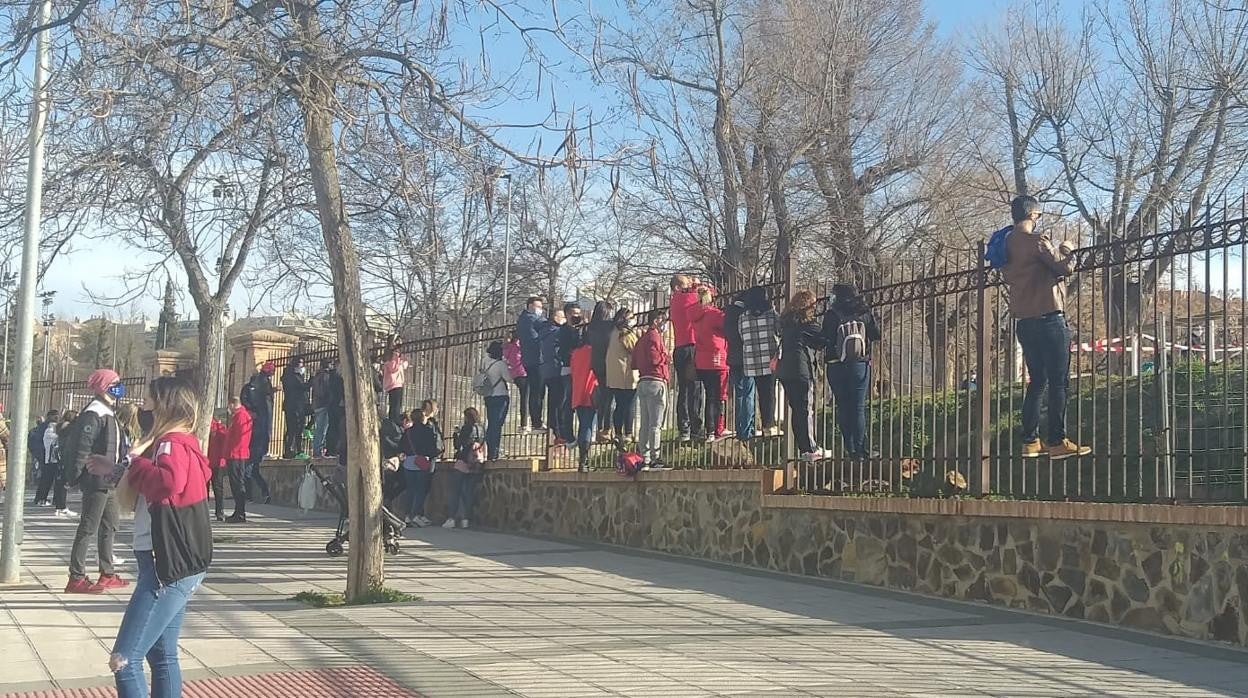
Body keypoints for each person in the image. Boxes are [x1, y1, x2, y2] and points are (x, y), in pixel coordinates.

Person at [84, 376, 212, 698]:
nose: (142, 406)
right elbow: (155, 488)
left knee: (124, 661)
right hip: (179, 563)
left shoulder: (170, 443)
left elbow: (167, 482)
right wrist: (116, 469)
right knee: (162, 655)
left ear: (165, 406)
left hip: (163, 566)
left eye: (148, 401)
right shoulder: (183, 444)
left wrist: (135, 460)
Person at [1002, 194, 1090, 460]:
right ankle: (1057, 440)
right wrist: (1067, 249)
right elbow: (1063, 269)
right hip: (1050, 318)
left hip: (1024, 323)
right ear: (1033, 215)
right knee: (1059, 381)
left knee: (1037, 381)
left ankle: (1029, 441)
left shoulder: (1006, 246)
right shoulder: (1036, 241)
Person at [64, 369, 128, 594]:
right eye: (115, 383)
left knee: (110, 525)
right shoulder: (94, 412)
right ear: (103, 386)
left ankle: (107, 572)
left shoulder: (108, 410)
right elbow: (82, 447)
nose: (119, 387)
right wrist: (77, 476)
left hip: (110, 480)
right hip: (96, 479)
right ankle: (76, 577)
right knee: (88, 527)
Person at [822, 284, 882, 459]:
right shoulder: (863, 312)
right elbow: (877, 334)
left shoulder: (831, 315)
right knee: (858, 407)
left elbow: (826, 338)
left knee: (843, 407)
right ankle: (861, 449)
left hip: (835, 364)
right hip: (859, 364)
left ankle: (849, 447)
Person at [777, 291, 830, 462]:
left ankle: (804, 448)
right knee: (806, 409)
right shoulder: (807, 324)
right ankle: (810, 448)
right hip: (801, 370)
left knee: (797, 410)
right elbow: (823, 340)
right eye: (813, 305)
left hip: (785, 370)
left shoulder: (787, 322)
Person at [738, 286, 781, 440]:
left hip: (751, 361)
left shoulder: (743, 316)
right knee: (769, 394)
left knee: (754, 395)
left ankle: (755, 428)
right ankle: (769, 426)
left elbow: (742, 336)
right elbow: (780, 330)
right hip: (769, 360)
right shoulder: (771, 314)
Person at [632, 310, 671, 470]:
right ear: (656, 321)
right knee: (655, 424)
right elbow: (655, 358)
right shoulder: (654, 336)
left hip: (643, 381)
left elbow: (634, 363)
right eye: (663, 320)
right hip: (656, 380)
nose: (665, 324)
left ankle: (644, 457)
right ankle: (655, 458)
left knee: (645, 423)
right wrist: (666, 356)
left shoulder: (641, 339)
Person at [690, 285, 729, 440]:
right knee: (719, 396)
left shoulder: (693, 314)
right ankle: (717, 428)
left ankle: (709, 430)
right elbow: (726, 327)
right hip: (717, 358)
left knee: (709, 395)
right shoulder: (714, 314)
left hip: (701, 359)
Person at [669, 274, 704, 442]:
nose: (689, 284)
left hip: (679, 348)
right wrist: (697, 284)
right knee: (695, 389)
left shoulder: (674, 300)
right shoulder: (686, 298)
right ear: (677, 287)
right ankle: (696, 428)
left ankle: (684, 428)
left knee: (683, 389)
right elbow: (708, 294)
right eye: (686, 283)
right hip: (691, 347)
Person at [444, 407, 485, 529]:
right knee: (468, 493)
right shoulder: (482, 429)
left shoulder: (466, 428)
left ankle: (451, 518)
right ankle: (466, 519)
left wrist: (456, 434)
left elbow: (459, 445)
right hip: (475, 463)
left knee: (455, 492)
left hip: (463, 462)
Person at [400, 408, 441, 527]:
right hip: (422, 462)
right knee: (420, 490)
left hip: (409, 462)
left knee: (410, 490)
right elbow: (433, 448)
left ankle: (407, 515)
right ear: (422, 418)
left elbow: (402, 446)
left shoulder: (408, 432)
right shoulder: (427, 431)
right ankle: (416, 515)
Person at [241, 362, 274, 502]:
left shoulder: (253, 392)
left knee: (250, 471)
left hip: (254, 441)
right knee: (252, 471)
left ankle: (251, 495)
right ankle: (260, 494)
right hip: (257, 440)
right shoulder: (262, 396)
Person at [605, 308, 639, 441]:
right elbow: (635, 350)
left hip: (613, 376)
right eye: (631, 317)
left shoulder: (613, 332)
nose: (633, 320)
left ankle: (618, 432)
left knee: (619, 405)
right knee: (629, 404)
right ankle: (628, 433)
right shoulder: (625, 334)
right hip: (626, 375)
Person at [585, 300, 617, 443]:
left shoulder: (590, 327)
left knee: (603, 397)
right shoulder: (609, 326)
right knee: (609, 399)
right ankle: (606, 428)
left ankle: (600, 429)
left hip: (595, 364)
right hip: (608, 364)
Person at [557, 303, 586, 446]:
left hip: (578, 368)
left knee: (575, 400)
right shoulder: (564, 331)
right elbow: (565, 350)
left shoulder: (577, 329)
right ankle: (567, 434)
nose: (577, 316)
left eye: (578, 313)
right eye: (574, 313)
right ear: (567, 314)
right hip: (569, 368)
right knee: (569, 401)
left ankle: (575, 433)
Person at [569, 331, 598, 472]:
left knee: (583, 425)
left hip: (577, 393)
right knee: (587, 426)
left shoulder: (576, 353)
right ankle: (584, 460)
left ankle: (583, 459)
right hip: (591, 392)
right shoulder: (594, 352)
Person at [39, 410, 77, 517]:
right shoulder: (68, 429)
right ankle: (61, 506)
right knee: (62, 482)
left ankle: (59, 505)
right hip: (64, 458)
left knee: (59, 482)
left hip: (59, 458)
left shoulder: (60, 427)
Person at [516, 296, 546, 431]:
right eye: (537, 307)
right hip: (536, 359)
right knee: (537, 391)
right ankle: (537, 421)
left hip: (529, 359)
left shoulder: (522, 319)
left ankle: (536, 421)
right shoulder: (530, 319)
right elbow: (541, 332)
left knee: (536, 390)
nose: (540, 310)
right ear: (529, 306)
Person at [539, 309, 567, 444]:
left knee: (553, 402)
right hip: (557, 369)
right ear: (556, 317)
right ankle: (559, 431)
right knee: (559, 403)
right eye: (563, 317)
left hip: (547, 370)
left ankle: (553, 429)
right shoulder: (557, 332)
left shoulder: (544, 331)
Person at [479, 340, 511, 461]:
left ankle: (490, 450)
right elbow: (509, 378)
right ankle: (494, 451)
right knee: (497, 425)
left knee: (491, 423)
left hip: (488, 396)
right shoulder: (500, 364)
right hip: (500, 396)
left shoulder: (485, 362)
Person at [224, 397, 254, 523]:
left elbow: (239, 438)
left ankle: (240, 513)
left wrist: (231, 450)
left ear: (232, 405)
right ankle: (238, 511)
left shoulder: (241, 416)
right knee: (236, 484)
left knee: (237, 484)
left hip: (237, 454)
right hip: (236, 454)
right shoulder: (240, 416)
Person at [281, 356, 311, 459]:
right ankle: (292, 450)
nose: (302, 365)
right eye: (300, 363)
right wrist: (310, 382)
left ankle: (294, 449)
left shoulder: (293, 375)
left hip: (297, 405)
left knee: (295, 429)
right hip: (294, 406)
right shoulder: (291, 375)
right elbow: (301, 387)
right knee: (294, 429)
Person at [31, 409, 59, 506]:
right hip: (47, 457)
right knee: (47, 479)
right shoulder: (45, 427)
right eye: (54, 416)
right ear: (49, 416)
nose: (57, 418)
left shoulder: (46, 426)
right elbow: (39, 442)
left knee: (47, 478)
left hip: (48, 457)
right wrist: (41, 455)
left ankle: (42, 498)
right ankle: (41, 498)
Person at [503, 331, 529, 432]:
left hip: (516, 376)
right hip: (524, 373)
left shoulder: (507, 348)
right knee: (527, 398)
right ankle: (525, 423)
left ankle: (524, 423)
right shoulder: (518, 347)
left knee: (524, 398)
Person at [310, 359, 337, 457]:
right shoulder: (325, 376)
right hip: (323, 404)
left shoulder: (317, 375)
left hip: (318, 404)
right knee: (322, 429)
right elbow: (323, 391)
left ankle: (317, 450)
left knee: (320, 428)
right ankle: (318, 450)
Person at [206, 410, 229, 522]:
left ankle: (207, 512)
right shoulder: (221, 429)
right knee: (218, 489)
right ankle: (219, 512)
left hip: (210, 462)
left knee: (208, 488)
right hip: (216, 462)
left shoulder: (217, 429)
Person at [381, 340, 409, 424]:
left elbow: (404, 365)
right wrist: (398, 359)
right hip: (393, 384)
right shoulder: (391, 356)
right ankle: (394, 421)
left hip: (398, 382)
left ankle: (395, 420)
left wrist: (402, 361)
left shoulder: (397, 357)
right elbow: (393, 368)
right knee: (395, 405)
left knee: (397, 404)